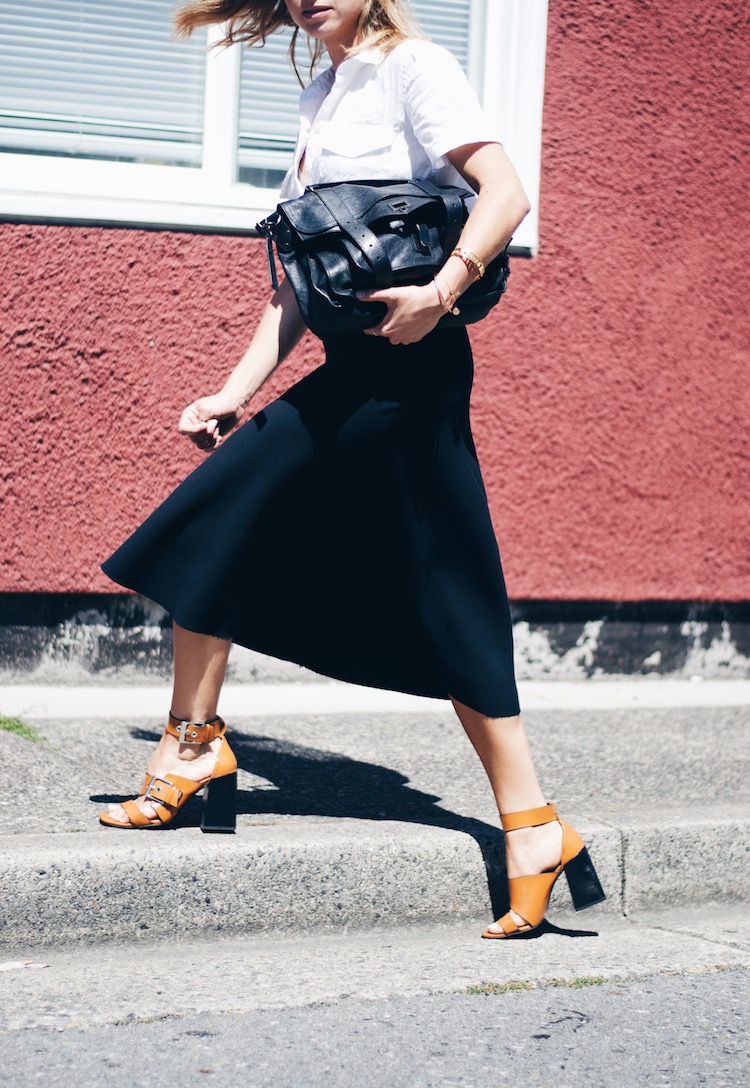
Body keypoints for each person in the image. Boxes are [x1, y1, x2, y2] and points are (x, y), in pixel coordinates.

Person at [100, 0, 605, 938]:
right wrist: (231, 393)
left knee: (433, 580)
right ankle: (198, 748)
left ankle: (528, 824)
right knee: (252, 526)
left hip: (412, 372)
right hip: (355, 368)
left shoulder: (416, 68)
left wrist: (441, 291)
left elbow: (506, 193)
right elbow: (295, 290)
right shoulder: (322, 94)